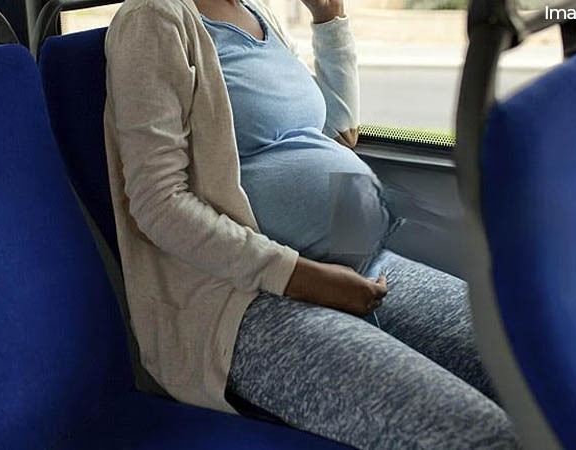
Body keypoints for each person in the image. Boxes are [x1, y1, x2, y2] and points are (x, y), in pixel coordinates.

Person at [103, 0, 520, 447]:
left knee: (531, 358)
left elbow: (337, 134)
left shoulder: (256, 10)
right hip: (242, 301)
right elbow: (157, 206)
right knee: (481, 437)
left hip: (347, 265)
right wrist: (303, 278)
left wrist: (328, 19)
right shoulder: (154, 19)